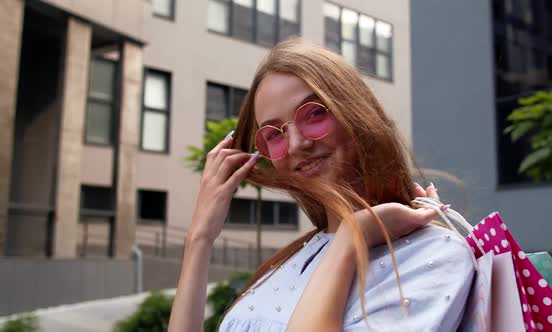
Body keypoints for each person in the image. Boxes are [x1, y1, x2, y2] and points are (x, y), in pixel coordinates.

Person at [169, 38, 475, 332]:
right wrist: (200, 238)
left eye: (314, 113)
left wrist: (352, 237)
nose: (297, 143)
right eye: (274, 134)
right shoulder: (294, 259)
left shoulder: (434, 255)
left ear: (355, 111)